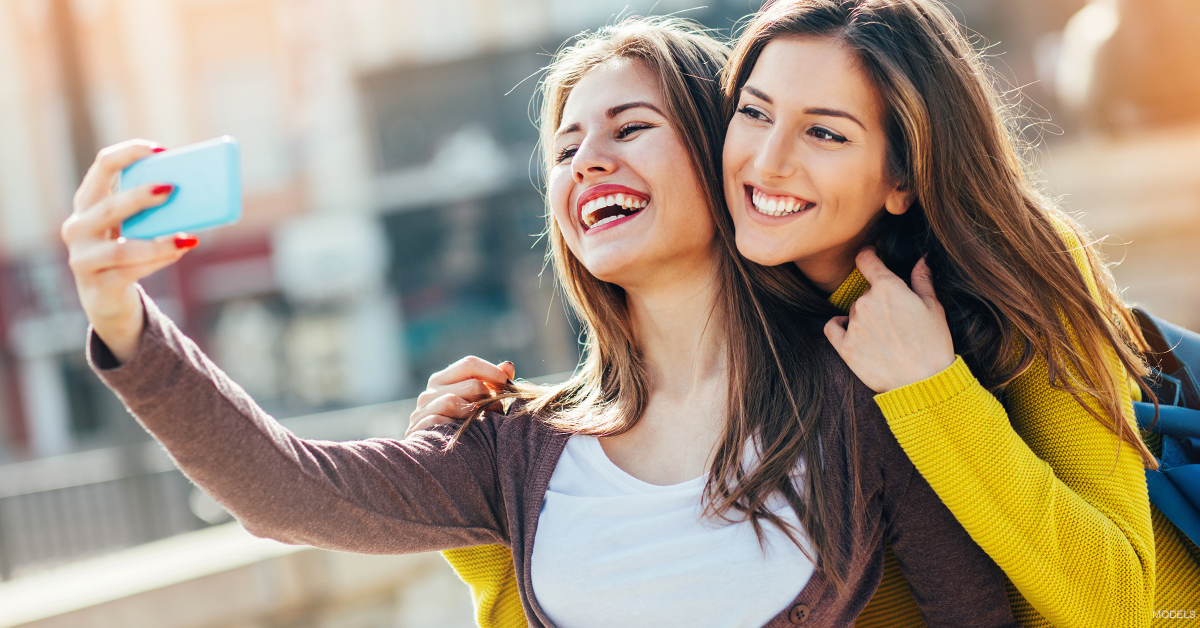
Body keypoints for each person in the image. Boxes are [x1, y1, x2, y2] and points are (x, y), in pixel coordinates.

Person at [63, 17, 1016, 628]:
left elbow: (980, 614)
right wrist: (121, 315)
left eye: (630, 128)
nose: (588, 160)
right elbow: (282, 492)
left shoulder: (865, 391)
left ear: (727, 158)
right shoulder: (512, 445)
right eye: (565, 147)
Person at [719, 1, 1200, 627]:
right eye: (754, 113)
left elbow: (1117, 603)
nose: (767, 160)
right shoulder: (726, 319)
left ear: (904, 178)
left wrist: (930, 385)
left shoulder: (1010, 271)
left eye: (826, 133)